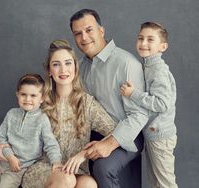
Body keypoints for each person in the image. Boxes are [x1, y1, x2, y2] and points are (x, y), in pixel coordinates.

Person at [15, 39, 116, 188]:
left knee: (89, 184)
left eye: (68, 63)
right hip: (41, 168)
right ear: (49, 70)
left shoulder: (87, 103)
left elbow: (114, 132)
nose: (63, 70)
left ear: (75, 67)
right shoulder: (40, 101)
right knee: (66, 179)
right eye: (56, 64)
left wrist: (83, 154)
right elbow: (15, 129)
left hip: (74, 169)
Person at [69, 9, 149, 188]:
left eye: (89, 30)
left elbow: (139, 115)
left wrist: (110, 144)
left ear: (101, 31)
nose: (84, 37)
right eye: (78, 33)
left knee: (103, 167)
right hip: (93, 134)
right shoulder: (79, 68)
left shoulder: (126, 63)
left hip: (127, 133)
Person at [120, 22, 178, 188]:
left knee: (165, 183)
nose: (143, 43)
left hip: (160, 136)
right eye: (140, 38)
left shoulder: (158, 70)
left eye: (150, 39)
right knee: (156, 182)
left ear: (163, 46)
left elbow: (162, 103)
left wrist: (133, 94)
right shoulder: (148, 65)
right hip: (154, 135)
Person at [0, 74, 62, 188]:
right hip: (1, 162)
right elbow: (1, 138)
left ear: (42, 98)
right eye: (23, 94)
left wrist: (56, 162)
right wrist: (10, 156)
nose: (28, 99)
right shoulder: (11, 114)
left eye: (33, 95)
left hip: (17, 168)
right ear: (17, 95)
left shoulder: (42, 119)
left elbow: (51, 144)